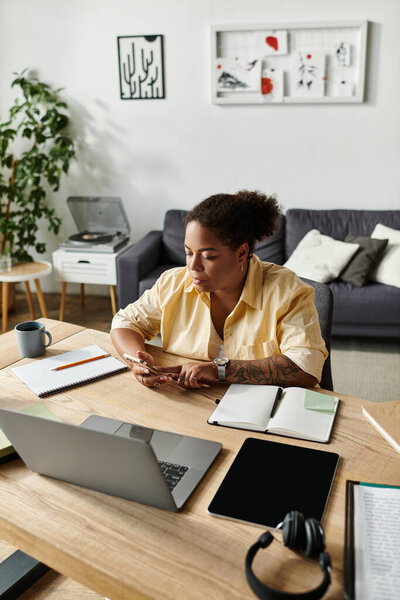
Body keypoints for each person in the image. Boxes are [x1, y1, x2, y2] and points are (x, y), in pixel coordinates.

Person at [111, 191, 328, 390]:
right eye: (188, 252)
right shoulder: (172, 283)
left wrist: (219, 370)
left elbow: (306, 366)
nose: (193, 266)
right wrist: (137, 361)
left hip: (261, 412)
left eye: (208, 256)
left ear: (242, 253)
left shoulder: (287, 292)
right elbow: (124, 323)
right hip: (191, 406)